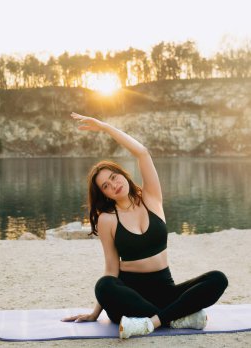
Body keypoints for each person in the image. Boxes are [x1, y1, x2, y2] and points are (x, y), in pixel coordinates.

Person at [62, 112, 228, 339]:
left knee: (218, 279)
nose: (114, 184)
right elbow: (112, 269)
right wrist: (94, 313)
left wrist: (105, 128)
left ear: (123, 174)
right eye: (106, 186)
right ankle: (176, 318)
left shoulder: (151, 198)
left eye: (114, 176)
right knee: (104, 285)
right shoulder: (107, 219)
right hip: (130, 298)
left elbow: (142, 152)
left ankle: (153, 322)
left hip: (166, 290)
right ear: (105, 195)